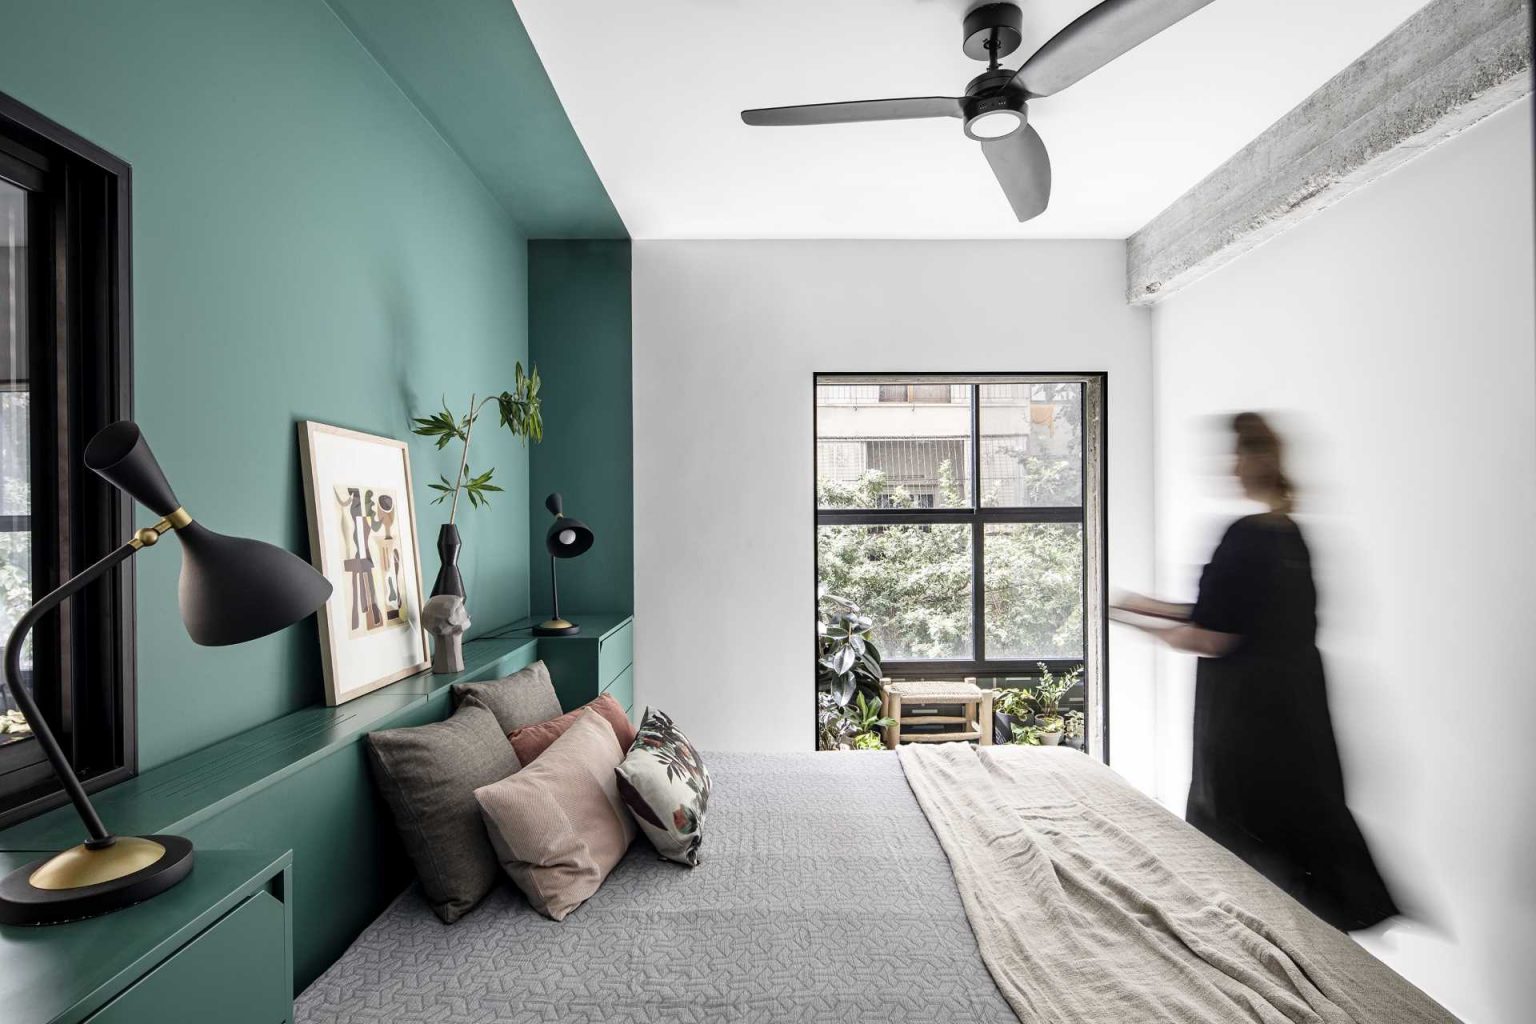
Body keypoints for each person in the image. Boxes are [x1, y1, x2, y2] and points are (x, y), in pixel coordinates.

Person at [1113, 412, 1397, 931]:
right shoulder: (1291, 536)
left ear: (1253, 462)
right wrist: (1143, 604)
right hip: (1297, 715)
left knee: (1243, 848)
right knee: (1296, 842)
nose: (1230, 465)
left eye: (1237, 454)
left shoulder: (1244, 535)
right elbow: (1229, 615)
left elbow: (1210, 635)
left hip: (1245, 721)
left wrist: (1136, 625)